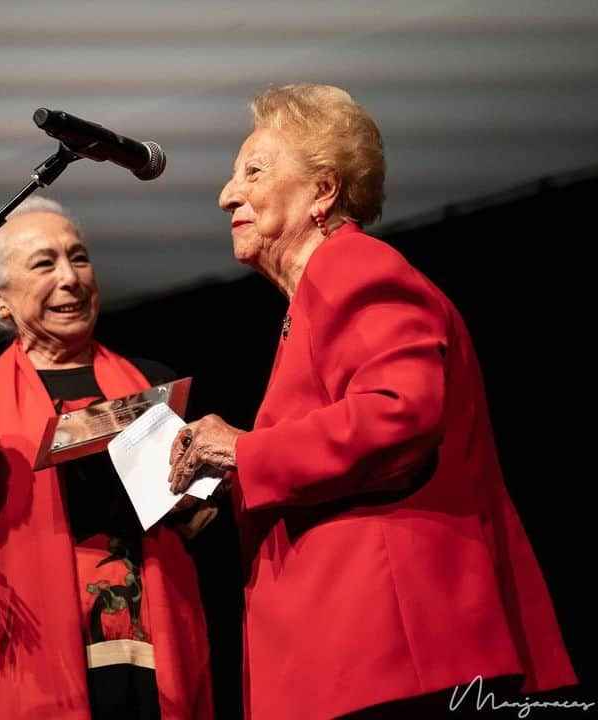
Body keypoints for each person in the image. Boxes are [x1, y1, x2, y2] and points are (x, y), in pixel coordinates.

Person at [166, 83, 577, 719]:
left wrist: (245, 450)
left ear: (323, 191)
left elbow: (397, 417)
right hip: (352, 656)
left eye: (253, 171)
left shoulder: (351, 265)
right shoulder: (310, 302)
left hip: (389, 656)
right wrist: (232, 478)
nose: (227, 194)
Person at [0, 196, 216, 719]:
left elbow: (200, 524)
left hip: (142, 653)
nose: (71, 277)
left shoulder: (151, 382)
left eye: (79, 257)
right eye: (45, 263)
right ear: (0, 300)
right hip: (18, 661)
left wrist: (198, 486)